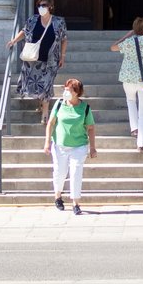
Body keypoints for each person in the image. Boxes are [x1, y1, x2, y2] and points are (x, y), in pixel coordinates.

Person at [6, 0, 68, 121]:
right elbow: (24, 31)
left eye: (44, 5)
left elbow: (64, 39)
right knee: (35, 84)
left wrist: (62, 56)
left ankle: (45, 113)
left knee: (46, 85)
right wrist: (13, 41)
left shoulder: (58, 22)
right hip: (33, 59)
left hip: (51, 60)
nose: (41, 8)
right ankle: (41, 104)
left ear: (50, 6)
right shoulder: (33, 20)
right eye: (39, 5)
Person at [43, 78, 97, 216]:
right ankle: (58, 196)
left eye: (69, 90)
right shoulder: (59, 104)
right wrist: (47, 142)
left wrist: (92, 147)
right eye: (65, 89)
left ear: (76, 93)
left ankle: (76, 203)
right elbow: (51, 123)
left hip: (79, 146)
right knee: (60, 172)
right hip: (60, 145)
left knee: (75, 173)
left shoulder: (84, 108)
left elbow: (90, 128)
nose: (65, 92)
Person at [110, 18, 143, 152]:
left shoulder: (129, 41)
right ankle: (141, 144)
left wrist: (127, 35)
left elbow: (113, 47)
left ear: (134, 29)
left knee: (130, 101)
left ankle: (134, 128)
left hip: (128, 78)